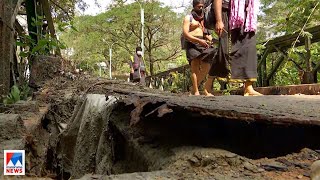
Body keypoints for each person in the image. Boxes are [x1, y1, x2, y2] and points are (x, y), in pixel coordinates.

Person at [207, 0, 263, 96]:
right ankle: (208, 86)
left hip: (247, 16)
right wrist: (219, 20)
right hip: (227, 13)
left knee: (249, 49)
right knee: (224, 51)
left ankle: (248, 87)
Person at [183, 0, 216, 96]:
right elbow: (185, 34)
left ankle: (194, 88)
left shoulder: (203, 19)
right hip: (192, 43)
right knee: (195, 68)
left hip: (203, 43)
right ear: (194, 6)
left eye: (202, 6)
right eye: (199, 7)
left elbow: (206, 32)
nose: (201, 8)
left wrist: (209, 39)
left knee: (207, 66)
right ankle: (196, 91)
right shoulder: (188, 18)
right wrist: (198, 41)